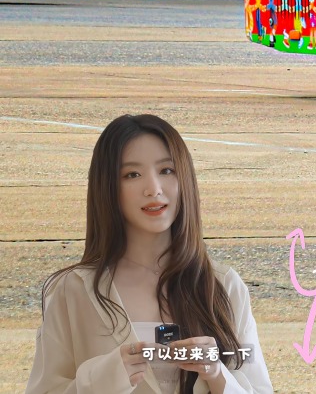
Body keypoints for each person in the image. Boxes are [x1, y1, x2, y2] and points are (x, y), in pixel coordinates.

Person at [28, 113, 274, 394]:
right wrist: (104, 378)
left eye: (166, 170)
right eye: (132, 174)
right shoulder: (72, 290)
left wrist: (218, 374)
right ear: (107, 188)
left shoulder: (224, 286)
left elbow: (259, 388)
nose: (153, 189)